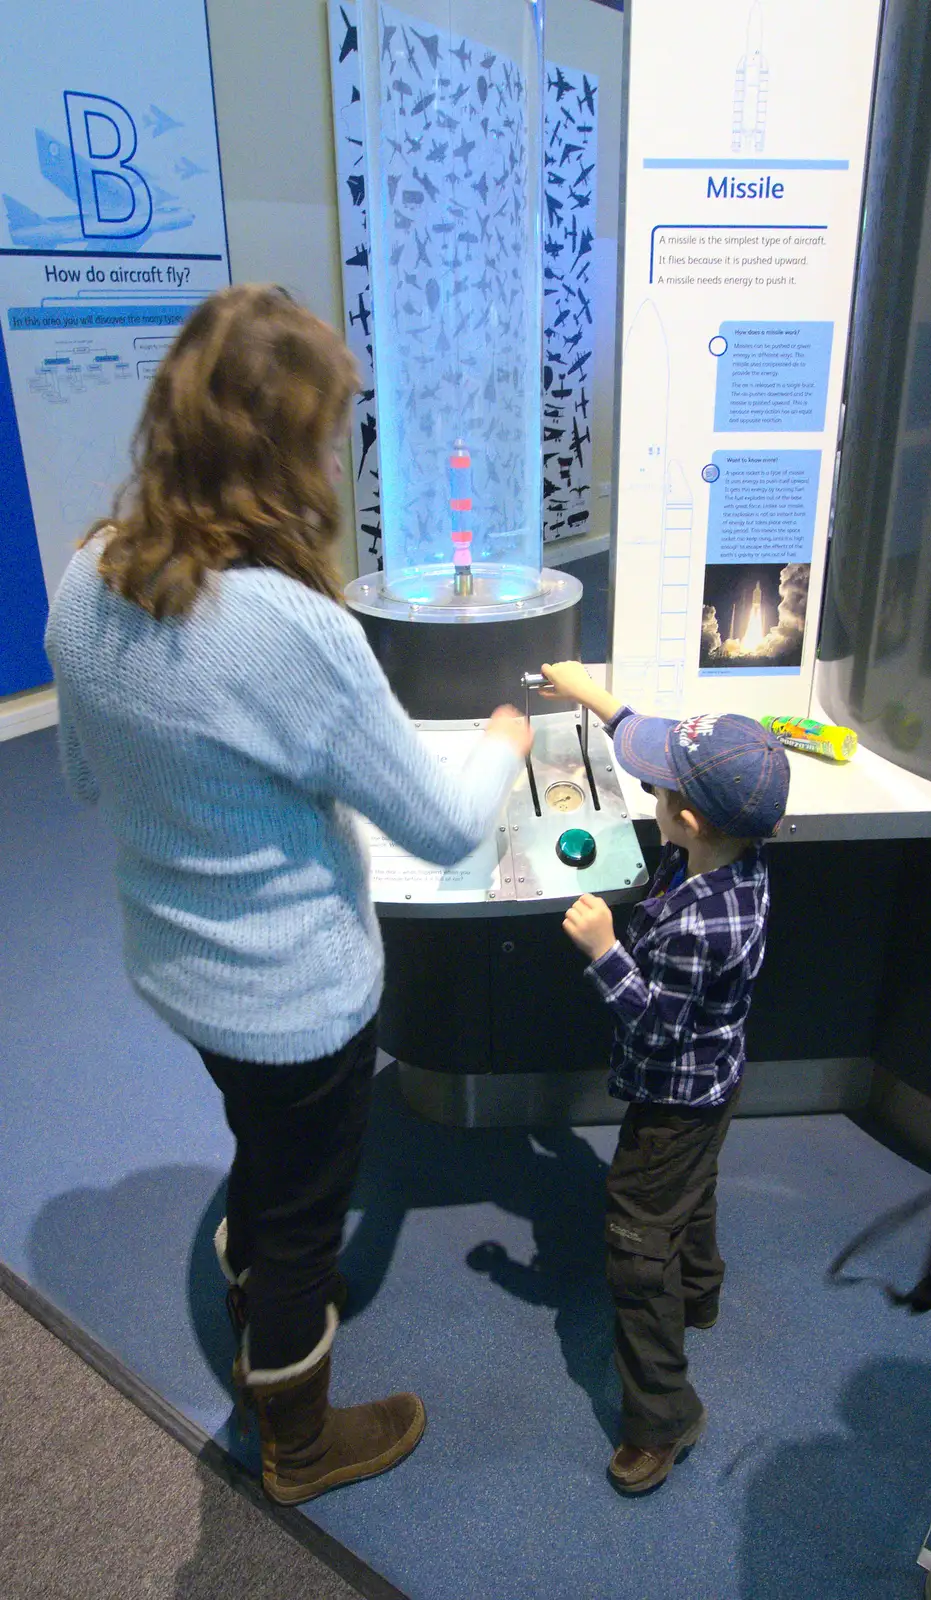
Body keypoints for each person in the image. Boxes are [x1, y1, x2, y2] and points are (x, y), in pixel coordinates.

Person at [44, 284, 532, 1506]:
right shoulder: (291, 629)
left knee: (262, 1137)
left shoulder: (84, 576)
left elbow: (84, 779)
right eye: (324, 433)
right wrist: (511, 737)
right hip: (298, 998)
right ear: (286, 448)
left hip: (178, 970)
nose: (332, 456)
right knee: (312, 1207)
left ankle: (258, 1240)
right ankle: (302, 1444)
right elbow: (443, 819)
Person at [540, 661, 789, 1494]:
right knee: (696, 1186)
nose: (648, 792)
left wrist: (603, 948)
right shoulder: (734, 852)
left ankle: (663, 1416)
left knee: (637, 1240)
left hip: (674, 1092)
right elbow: (647, 735)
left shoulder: (698, 928)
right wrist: (593, 697)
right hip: (718, 1079)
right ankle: (703, 1294)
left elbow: (653, 1023)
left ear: (681, 816)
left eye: (657, 788)